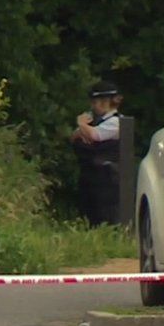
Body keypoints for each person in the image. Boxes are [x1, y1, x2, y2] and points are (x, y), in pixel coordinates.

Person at [71, 81, 121, 227]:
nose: (93, 106)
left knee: (104, 218)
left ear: (106, 102)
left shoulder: (115, 122)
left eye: (95, 102)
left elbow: (95, 135)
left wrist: (82, 125)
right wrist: (83, 130)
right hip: (91, 178)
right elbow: (74, 137)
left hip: (107, 180)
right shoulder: (95, 122)